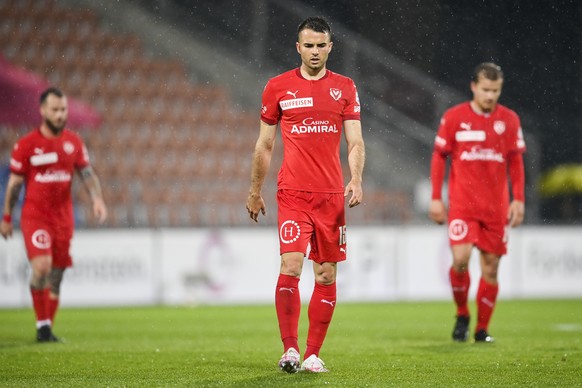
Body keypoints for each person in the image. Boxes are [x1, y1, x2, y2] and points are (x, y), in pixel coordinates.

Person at [246, 17, 365, 373]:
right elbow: (265, 144)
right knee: (291, 265)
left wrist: (356, 178)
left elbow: (355, 141)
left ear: (331, 47)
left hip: (331, 195)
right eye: (308, 45)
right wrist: (255, 190)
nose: (315, 51)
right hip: (293, 193)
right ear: (298, 47)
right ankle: (290, 350)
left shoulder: (345, 87)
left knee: (326, 275)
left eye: (321, 45)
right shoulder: (278, 87)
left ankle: (313, 353)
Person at [0, 87, 107, 342]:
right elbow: (15, 184)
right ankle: (42, 325)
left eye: (63, 110)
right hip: (36, 216)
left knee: (57, 274)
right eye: (55, 110)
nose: (60, 115)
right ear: (43, 110)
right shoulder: (26, 145)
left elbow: (87, 173)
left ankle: (46, 328)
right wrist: (6, 217)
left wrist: (97, 198)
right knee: (42, 266)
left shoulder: (73, 142)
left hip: (63, 218)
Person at [428, 63, 526, 343]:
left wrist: (518, 199)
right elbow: (439, 156)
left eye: (495, 90)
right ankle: (462, 314)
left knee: (491, 267)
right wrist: (436, 197)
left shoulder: (509, 120)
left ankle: (482, 329)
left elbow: (516, 162)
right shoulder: (454, 117)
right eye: (485, 89)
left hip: (496, 207)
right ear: (473, 86)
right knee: (460, 259)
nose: (490, 96)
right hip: (463, 205)